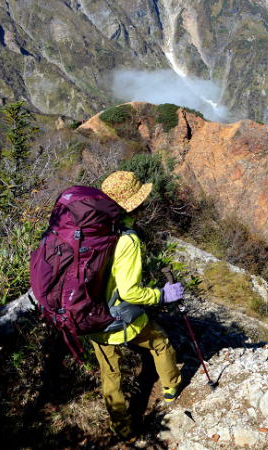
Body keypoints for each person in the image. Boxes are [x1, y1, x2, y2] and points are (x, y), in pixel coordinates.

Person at [90, 170, 184, 441]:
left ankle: (123, 430)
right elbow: (130, 292)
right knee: (159, 342)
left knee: (110, 373)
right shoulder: (126, 239)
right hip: (120, 318)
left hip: (88, 316)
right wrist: (162, 295)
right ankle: (171, 388)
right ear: (134, 204)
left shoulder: (88, 230)